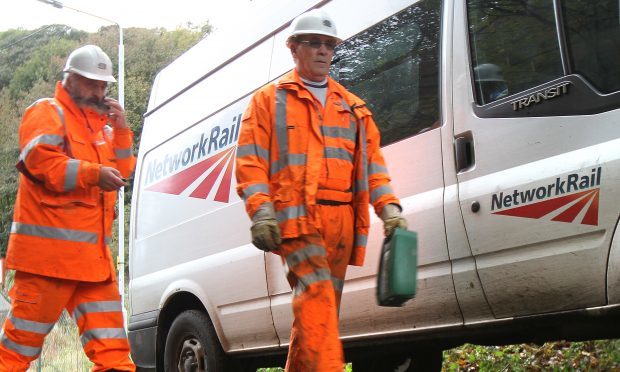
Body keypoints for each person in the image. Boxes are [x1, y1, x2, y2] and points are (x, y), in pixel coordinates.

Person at [235, 9, 407, 371]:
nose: (323, 51)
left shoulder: (353, 107)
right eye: (314, 43)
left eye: (329, 45)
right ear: (293, 48)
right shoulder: (268, 100)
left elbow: (373, 166)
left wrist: (389, 208)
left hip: (341, 224)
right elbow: (250, 163)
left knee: (319, 315)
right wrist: (262, 211)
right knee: (317, 302)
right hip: (297, 224)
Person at [0, 45, 136, 371]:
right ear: (70, 79)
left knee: (115, 357)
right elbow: (39, 161)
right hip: (49, 263)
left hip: (95, 266)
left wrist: (120, 129)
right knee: (16, 354)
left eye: (104, 85)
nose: (99, 91)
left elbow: (123, 171)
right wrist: (92, 174)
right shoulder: (47, 112)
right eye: (92, 83)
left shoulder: (102, 131)